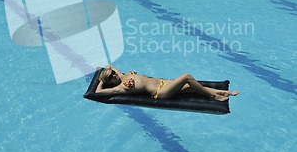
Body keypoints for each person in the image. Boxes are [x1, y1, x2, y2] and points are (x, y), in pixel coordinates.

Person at [96, 65, 239, 102]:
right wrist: (100, 80)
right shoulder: (120, 88)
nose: (114, 74)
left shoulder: (122, 75)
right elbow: (97, 92)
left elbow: (110, 65)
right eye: (111, 76)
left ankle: (223, 92)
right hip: (161, 92)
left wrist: (104, 70)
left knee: (191, 87)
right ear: (108, 81)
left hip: (164, 83)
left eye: (112, 72)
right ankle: (214, 96)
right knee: (187, 77)